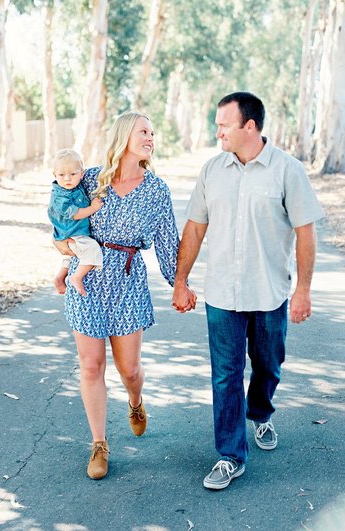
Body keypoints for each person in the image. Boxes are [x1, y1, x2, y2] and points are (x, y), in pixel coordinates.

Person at [172, 92, 324, 490]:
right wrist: (181, 280)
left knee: (268, 363)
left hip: (269, 291)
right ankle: (229, 455)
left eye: (224, 124)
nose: (217, 131)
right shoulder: (212, 170)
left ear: (249, 127)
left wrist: (303, 290)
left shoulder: (287, 171)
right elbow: (195, 228)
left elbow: (306, 232)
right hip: (222, 293)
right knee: (225, 375)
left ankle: (261, 413)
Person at [54, 112, 180, 480]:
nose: (150, 137)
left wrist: (181, 285)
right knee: (91, 365)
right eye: (144, 131)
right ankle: (99, 443)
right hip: (88, 281)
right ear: (124, 135)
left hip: (127, 282)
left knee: (129, 369)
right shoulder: (91, 179)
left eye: (153, 133)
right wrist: (64, 257)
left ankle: (136, 402)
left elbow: (168, 244)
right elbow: (67, 222)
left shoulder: (156, 190)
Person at [48, 148, 103, 296]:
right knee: (92, 249)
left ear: (82, 174)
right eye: (61, 175)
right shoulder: (60, 196)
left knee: (72, 257)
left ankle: (60, 278)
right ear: (54, 175)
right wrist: (93, 208)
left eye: (73, 174)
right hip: (72, 232)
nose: (67, 179)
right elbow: (76, 214)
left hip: (72, 233)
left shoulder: (76, 186)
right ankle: (77, 277)